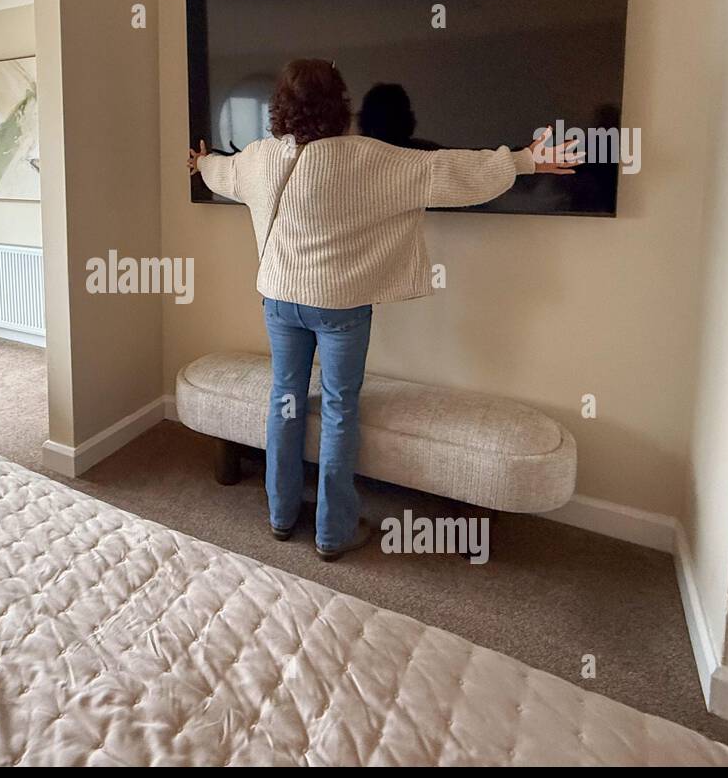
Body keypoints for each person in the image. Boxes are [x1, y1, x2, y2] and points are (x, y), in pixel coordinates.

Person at [189, 58, 582, 561]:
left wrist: (199, 163)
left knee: (284, 399)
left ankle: (281, 517)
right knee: (337, 408)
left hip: (280, 300)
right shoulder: (373, 158)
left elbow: (221, 172)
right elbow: (453, 172)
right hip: (340, 308)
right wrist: (525, 160)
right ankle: (333, 533)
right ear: (341, 107)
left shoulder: (259, 158)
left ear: (280, 110)